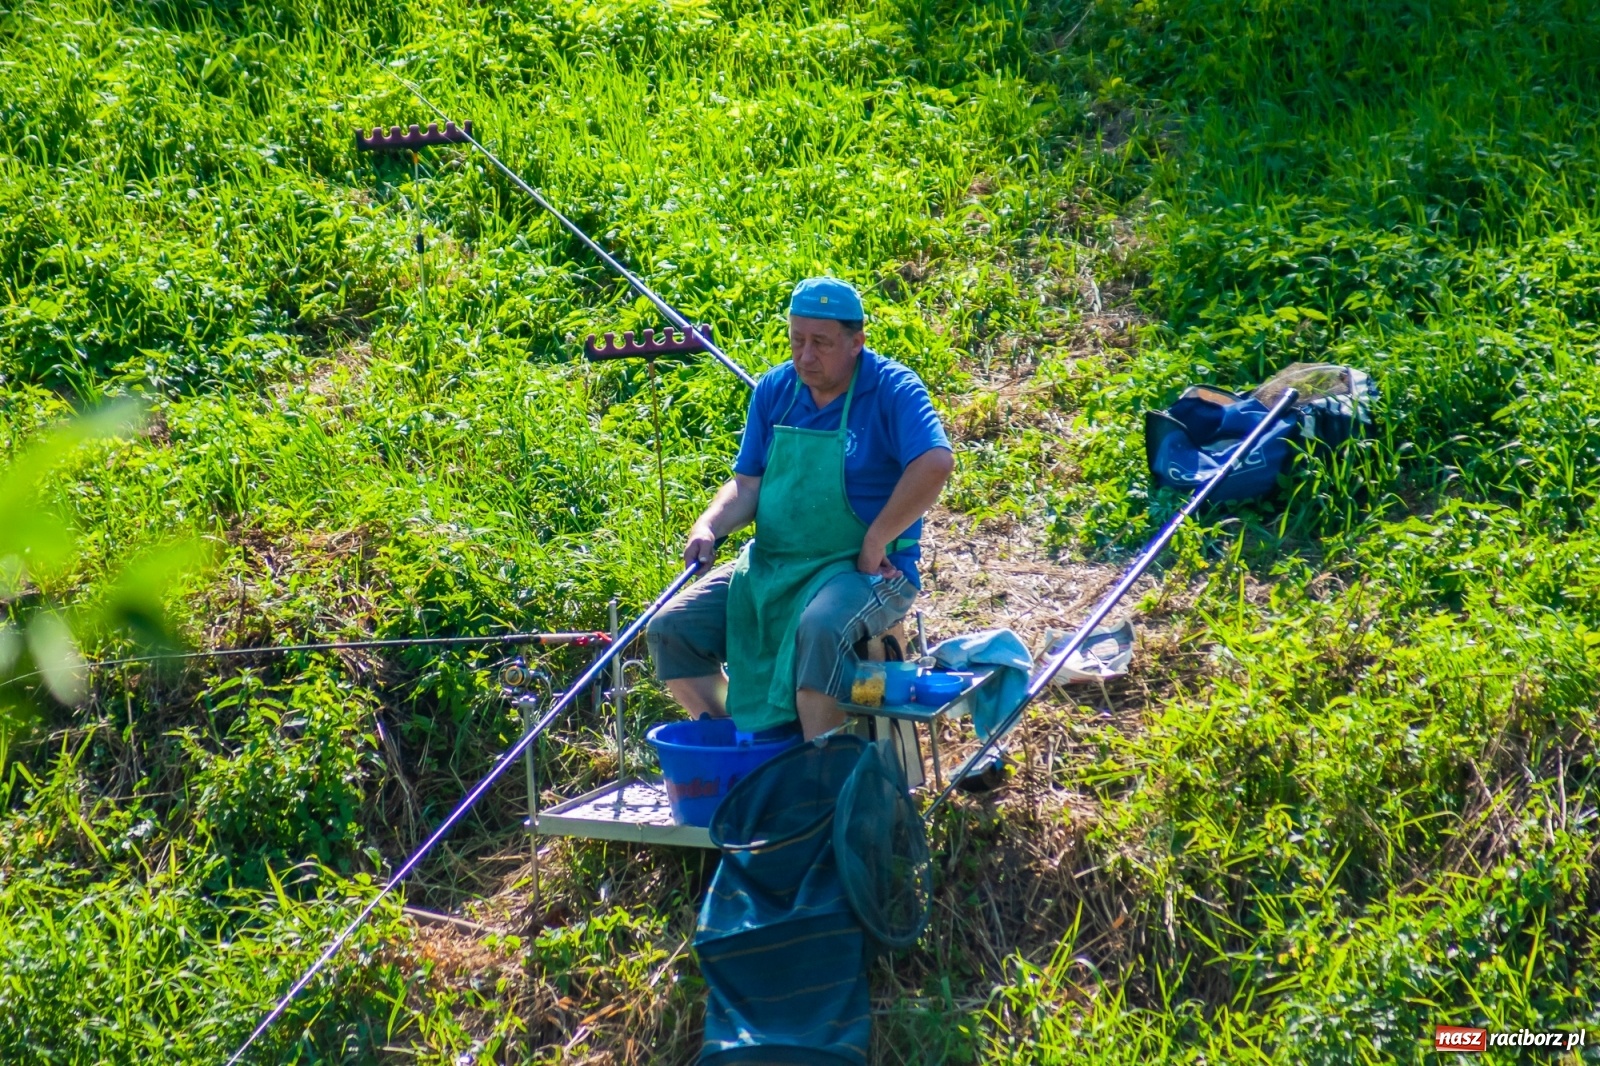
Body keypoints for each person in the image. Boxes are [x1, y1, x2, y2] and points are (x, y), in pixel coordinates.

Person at [646, 277, 954, 740]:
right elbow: (747, 486)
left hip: (862, 571)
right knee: (671, 628)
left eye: (821, 344)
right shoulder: (776, 390)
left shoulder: (892, 389)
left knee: (819, 627)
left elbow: (935, 462)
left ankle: (818, 777)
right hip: (774, 567)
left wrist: (875, 540)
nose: (806, 356)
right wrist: (708, 525)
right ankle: (746, 743)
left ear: (857, 342)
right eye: (797, 341)